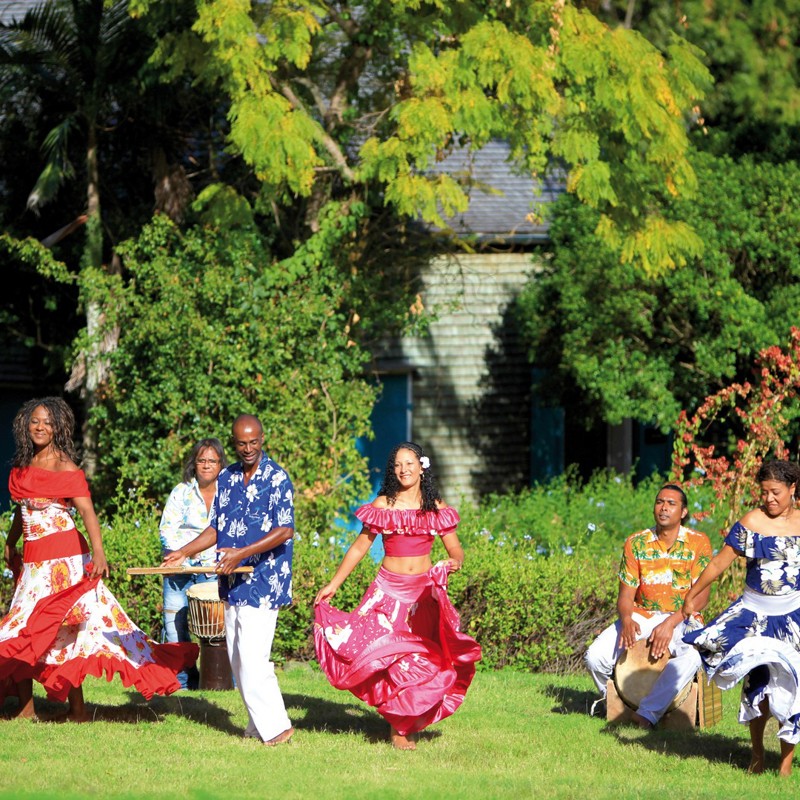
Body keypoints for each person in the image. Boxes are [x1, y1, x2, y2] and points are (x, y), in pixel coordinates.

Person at [0, 397, 198, 721]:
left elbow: (87, 511)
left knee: (62, 632)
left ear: (58, 428)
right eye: (35, 421)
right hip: (34, 564)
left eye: (47, 422)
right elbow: (22, 515)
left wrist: (100, 553)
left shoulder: (65, 466)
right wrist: (11, 545)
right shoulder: (21, 469)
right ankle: (26, 710)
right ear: (25, 425)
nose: (39, 427)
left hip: (64, 562)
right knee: (24, 630)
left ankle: (76, 710)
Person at [313, 441, 482, 750]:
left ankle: (404, 720)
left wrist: (453, 562)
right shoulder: (382, 506)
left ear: (421, 467)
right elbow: (360, 546)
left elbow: (455, 547)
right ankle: (399, 728)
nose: (403, 469)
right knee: (390, 658)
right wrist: (334, 583)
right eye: (397, 465)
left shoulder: (436, 509)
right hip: (387, 593)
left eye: (409, 463)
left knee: (423, 660)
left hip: (423, 597)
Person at [161, 414, 295, 746]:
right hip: (232, 581)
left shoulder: (277, 478)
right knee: (238, 657)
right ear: (233, 443)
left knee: (252, 658)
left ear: (263, 439)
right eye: (241, 443)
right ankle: (256, 725)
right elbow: (215, 529)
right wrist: (182, 552)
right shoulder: (229, 477)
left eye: (254, 442)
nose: (248, 448)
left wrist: (242, 553)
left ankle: (278, 728)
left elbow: (285, 529)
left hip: (265, 579)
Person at [683, 459, 800, 777]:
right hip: (755, 616)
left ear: (792, 489)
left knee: (792, 687)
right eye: (764, 492)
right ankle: (758, 755)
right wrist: (692, 594)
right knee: (758, 682)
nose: (769, 499)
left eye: (775, 492)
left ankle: (786, 763)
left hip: (793, 617)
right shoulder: (752, 522)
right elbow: (719, 564)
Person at [584, 484, 712, 729]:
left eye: (671, 504)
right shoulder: (636, 543)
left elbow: (702, 597)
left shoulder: (698, 542)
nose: (663, 508)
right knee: (595, 657)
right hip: (642, 614)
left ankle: (648, 713)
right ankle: (618, 703)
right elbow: (625, 596)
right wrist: (627, 618)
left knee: (694, 655)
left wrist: (669, 623)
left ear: (683, 512)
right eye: (659, 502)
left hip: (683, 617)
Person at [159, 438, 227, 690]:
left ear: (221, 464)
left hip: (212, 570)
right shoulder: (181, 491)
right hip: (179, 569)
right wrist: (180, 556)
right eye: (202, 460)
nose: (207, 465)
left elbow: (228, 531)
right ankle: (184, 682)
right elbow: (167, 529)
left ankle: (219, 681)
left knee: (216, 631)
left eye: (212, 460)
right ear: (194, 464)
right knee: (175, 628)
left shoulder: (229, 493)